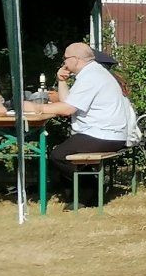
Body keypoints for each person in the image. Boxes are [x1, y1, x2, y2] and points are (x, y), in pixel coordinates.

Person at [39, 42, 138, 192]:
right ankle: (84, 191)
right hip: (108, 133)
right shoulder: (93, 72)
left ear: (76, 59)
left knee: (58, 155)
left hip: (104, 135)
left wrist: (37, 108)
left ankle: (92, 189)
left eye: (65, 58)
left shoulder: (91, 77)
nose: (64, 62)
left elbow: (67, 109)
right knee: (64, 152)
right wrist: (62, 81)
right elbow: (68, 102)